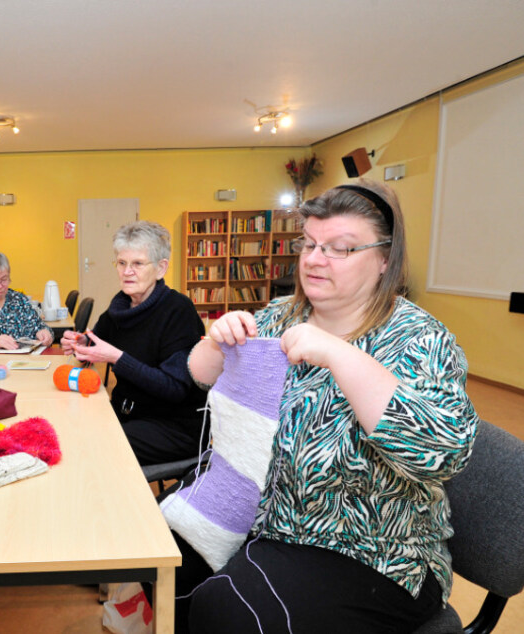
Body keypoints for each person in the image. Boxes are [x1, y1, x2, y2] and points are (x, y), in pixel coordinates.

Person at [179, 181, 479, 633]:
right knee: (163, 561)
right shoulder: (281, 314)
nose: (315, 259)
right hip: (266, 518)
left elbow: (443, 454)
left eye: (340, 248)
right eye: (311, 244)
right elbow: (200, 374)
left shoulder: (420, 339)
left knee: (225, 612)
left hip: (374, 552)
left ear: (384, 259)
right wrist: (218, 339)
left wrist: (340, 354)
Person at [60, 221, 206, 465]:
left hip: (173, 426)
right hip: (129, 414)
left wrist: (118, 358)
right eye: (122, 263)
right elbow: (97, 343)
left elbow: (174, 388)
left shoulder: (178, 311)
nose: (127, 271)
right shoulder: (121, 306)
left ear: (161, 269)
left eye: (138, 263)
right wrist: (81, 343)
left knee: (87, 448)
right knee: (68, 429)